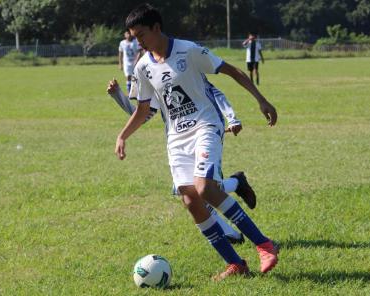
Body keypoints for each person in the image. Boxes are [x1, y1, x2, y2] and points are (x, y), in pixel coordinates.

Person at [116, 3, 278, 281]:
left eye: (141, 35)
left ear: (157, 28)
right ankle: (236, 263)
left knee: (204, 188)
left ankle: (264, 244)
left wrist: (261, 100)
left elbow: (233, 71)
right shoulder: (143, 66)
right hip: (176, 138)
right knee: (190, 199)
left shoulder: (188, 50)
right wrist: (122, 135)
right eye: (134, 36)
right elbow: (144, 110)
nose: (138, 42)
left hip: (206, 125)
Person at [107, 79, 257, 244]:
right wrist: (118, 95)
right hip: (180, 140)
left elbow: (214, 91)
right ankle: (235, 193)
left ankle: (249, 237)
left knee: (204, 188)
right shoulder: (147, 71)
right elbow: (143, 114)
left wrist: (232, 117)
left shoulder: (183, 59)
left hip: (205, 131)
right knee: (190, 192)